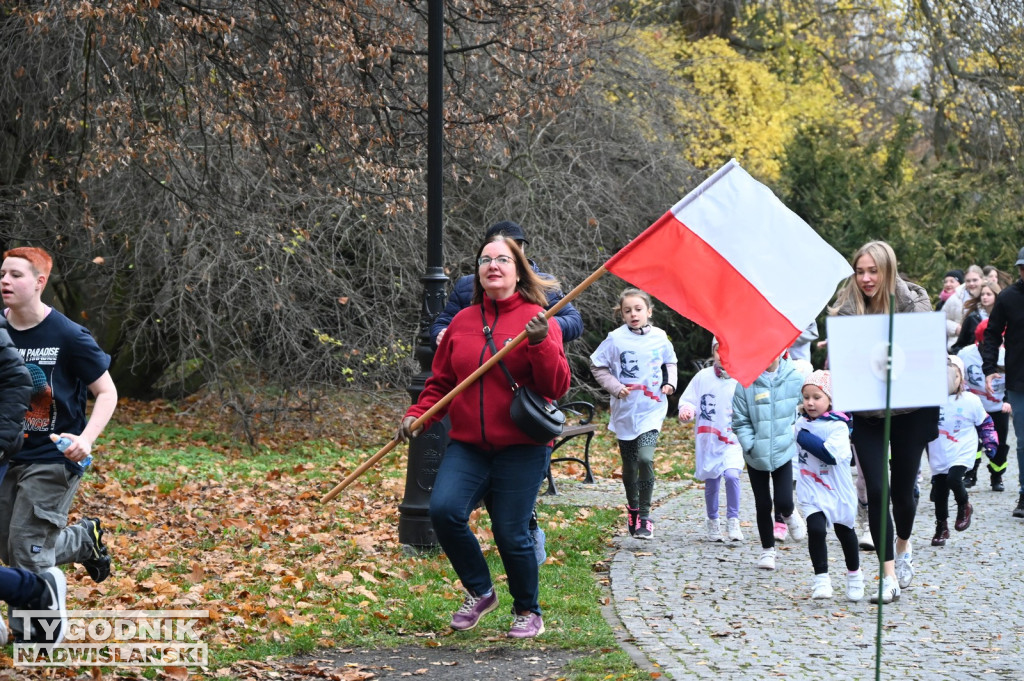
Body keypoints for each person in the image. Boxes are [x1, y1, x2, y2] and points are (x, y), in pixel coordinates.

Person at [398, 235, 570, 639]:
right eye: (485, 260)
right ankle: (480, 590)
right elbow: (441, 382)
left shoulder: (538, 317)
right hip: (470, 445)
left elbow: (556, 385)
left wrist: (541, 341)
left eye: (503, 259)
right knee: (443, 511)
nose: (493, 265)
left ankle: (528, 611)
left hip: (523, 447)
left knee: (511, 532)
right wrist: (417, 414)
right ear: (478, 272)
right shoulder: (461, 322)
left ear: (518, 269)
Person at [431, 221, 583, 565]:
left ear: (521, 255)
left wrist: (542, 331)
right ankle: (497, 567)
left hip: (524, 409)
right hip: (475, 420)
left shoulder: (543, 288)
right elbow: (446, 323)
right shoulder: (469, 286)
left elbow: (574, 320)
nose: (496, 263)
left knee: (510, 518)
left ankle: (524, 540)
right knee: (453, 507)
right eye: (489, 255)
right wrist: (443, 335)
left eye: (509, 252)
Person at [0, 248, 117, 593]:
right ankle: (83, 541)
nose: (5, 280)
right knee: (9, 546)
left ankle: (36, 633)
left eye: (15, 275)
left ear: (40, 282)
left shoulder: (68, 335)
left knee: (26, 550)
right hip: (8, 455)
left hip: (54, 458)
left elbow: (107, 392)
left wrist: (87, 439)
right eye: (2, 274)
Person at [829, 240, 939, 604]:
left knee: (903, 495)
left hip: (911, 413)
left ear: (888, 269)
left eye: (872, 271)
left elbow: (926, 352)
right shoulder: (847, 308)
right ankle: (887, 575)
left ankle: (903, 544)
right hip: (870, 413)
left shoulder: (913, 302)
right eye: (860, 271)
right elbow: (843, 361)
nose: (865, 278)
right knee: (877, 491)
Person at [590, 289, 677, 540]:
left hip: (651, 409)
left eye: (638, 309)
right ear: (622, 314)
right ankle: (633, 508)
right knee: (629, 465)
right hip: (626, 411)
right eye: (627, 310)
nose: (633, 314)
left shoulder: (660, 337)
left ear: (649, 311)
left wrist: (670, 383)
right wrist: (616, 388)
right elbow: (597, 365)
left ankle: (646, 518)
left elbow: (670, 361)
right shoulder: (615, 339)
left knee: (645, 458)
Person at [431, 221, 583, 346]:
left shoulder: (543, 284)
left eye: (518, 246)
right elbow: (443, 324)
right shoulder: (466, 286)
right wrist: (440, 334)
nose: (513, 251)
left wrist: (543, 326)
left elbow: (575, 322)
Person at [732, 351, 805, 570]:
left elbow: (808, 404)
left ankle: (791, 515)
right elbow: (740, 420)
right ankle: (767, 550)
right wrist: (750, 444)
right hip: (756, 455)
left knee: (783, 501)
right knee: (763, 503)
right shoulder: (745, 382)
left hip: (783, 450)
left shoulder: (794, 378)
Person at [794, 370, 863, 601]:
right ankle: (821, 579)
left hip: (837, 489)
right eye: (806, 397)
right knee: (815, 529)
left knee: (845, 532)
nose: (810, 402)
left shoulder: (838, 427)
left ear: (830, 400)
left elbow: (830, 454)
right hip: (811, 487)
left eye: (817, 397)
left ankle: (855, 576)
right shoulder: (800, 423)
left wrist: (803, 437)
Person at [678, 337, 744, 542]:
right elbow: (689, 399)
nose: (723, 355)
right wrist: (687, 410)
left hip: (733, 439)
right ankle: (712, 520)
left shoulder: (742, 379)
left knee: (732, 475)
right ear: (713, 352)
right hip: (709, 439)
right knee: (712, 481)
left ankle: (733, 519)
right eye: (718, 350)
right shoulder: (702, 377)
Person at [926, 356, 996, 546]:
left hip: (962, 447)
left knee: (954, 478)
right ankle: (941, 527)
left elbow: (985, 422)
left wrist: (990, 443)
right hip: (939, 449)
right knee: (940, 491)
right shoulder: (930, 401)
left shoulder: (970, 400)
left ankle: (964, 506)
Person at [982, 246, 1024, 519]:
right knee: (1023, 441)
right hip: (1019, 381)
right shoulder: (1008, 298)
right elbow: (992, 334)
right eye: (1021, 266)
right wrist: (988, 368)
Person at [959, 319, 1010, 490]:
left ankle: (997, 476)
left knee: (1000, 444)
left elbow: (1015, 379)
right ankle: (970, 473)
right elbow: (957, 376)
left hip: (998, 408)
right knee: (973, 443)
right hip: (975, 408)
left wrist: (1008, 400)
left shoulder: (1007, 355)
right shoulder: (966, 354)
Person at [952, 281, 1000, 354]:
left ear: (996, 296)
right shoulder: (972, 318)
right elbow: (958, 346)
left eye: (988, 294)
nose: (984, 297)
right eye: (982, 294)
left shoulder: (1004, 318)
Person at [944, 265, 984, 351]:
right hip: (959, 344)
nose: (971, 284)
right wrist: (955, 328)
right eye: (968, 281)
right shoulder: (954, 299)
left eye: (975, 280)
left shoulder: (988, 296)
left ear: (982, 279)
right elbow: (941, 319)